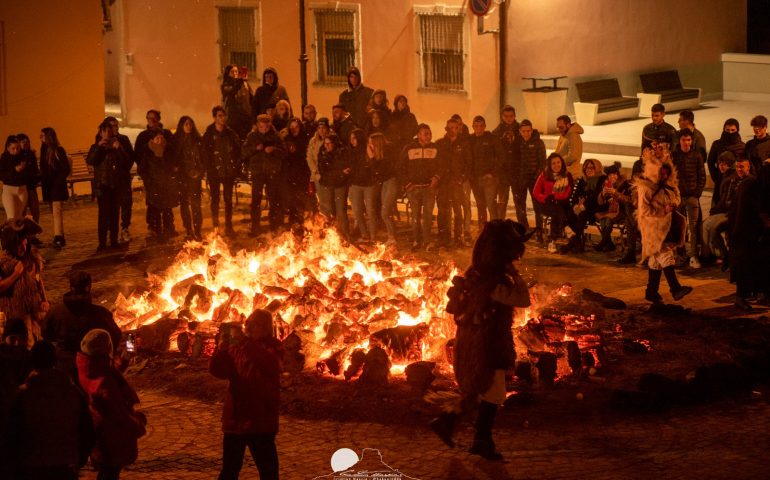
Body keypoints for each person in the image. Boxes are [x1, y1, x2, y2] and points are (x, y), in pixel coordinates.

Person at [431, 219, 531, 461]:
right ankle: (478, 437)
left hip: (473, 341)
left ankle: (452, 423)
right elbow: (523, 299)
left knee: (480, 390)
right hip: (487, 345)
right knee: (494, 392)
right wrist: (515, 275)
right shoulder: (493, 283)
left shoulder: (474, 273)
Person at [6, 340, 94, 480]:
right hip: (65, 465)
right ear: (55, 360)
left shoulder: (24, 395)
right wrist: (78, 458)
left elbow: (13, 433)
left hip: (32, 466)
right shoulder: (73, 393)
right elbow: (87, 431)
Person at [210, 310, 282, 480]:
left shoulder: (274, 346)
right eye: (248, 322)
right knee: (229, 470)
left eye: (254, 324)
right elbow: (218, 371)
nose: (249, 327)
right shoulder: (239, 346)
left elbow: (270, 365)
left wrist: (245, 344)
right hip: (236, 416)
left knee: (268, 472)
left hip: (260, 418)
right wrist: (220, 350)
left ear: (265, 327)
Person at [77, 329, 145, 480]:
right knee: (110, 473)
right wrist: (137, 424)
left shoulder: (87, 366)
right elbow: (119, 415)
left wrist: (125, 357)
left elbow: (110, 370)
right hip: (111, 437)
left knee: (106, 470)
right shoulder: (104, 383)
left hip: (97, 431)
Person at [636, 148, 693, 303]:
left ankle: (651, 291)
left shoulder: (669, 183)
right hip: (653, 227)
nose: (664, 176)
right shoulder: (646, 187)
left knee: (656, 260)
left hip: (667, 225)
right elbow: (645, 210)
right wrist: (663, 209)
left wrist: (673, 204)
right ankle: (675, 288)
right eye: (661, 173)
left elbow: (677, 196)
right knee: (665, 254)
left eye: (666, 173)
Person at [44, 270, 121, 378]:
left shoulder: (55, 313)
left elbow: (46, 335)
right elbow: (116, 335)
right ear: (88, 287)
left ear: (71, 288)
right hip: (92, 370)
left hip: (64, 369)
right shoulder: (101, 314)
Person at [0, 218, 48, 349]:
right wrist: (15, 274)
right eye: (20, 245)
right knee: (24, 345)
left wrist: (45, 300)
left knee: (37, 339)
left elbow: (39, 280)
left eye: (25, 244)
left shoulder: (31, 259)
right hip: (15, 313)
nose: (23, 247)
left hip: (34, 310)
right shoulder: (4, 264)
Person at [728, 160, 763, 311]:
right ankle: (742, 297)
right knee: (747, 264)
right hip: (746, 232)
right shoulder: (752, 185)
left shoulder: (748, 184)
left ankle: (750, 294)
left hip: (741, 230)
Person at [243, 114, 287, 235]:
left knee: (273, 199)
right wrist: (255, 149)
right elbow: (244, 153)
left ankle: (274, 226)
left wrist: (273, 150)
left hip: (272, 172)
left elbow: (284, 153)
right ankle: (255, 227)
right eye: (262, 127)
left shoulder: (276, 136)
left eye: (267, 127)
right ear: (258, 125)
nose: (264, 129)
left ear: (270, 125)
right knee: (256, 200)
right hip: (258, 172)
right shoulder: (252, 137)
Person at [398, 124, 439, 251]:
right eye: (425, 133)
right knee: (415, 216)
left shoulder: (435, 148)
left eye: (430, 133)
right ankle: (416, 241)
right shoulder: (409, 148)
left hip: (429, 188)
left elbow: (441, 165)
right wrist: (407, 184)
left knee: (427, 216)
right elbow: (399, 167)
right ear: (418, 135)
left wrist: (436, 177)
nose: (429, 136)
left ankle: (427, 242)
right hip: (414, 189)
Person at [202, 106, 242, 236]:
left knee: (228, 199)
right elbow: (205, 153)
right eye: (219, 116)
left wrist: (236, 167)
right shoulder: (209, 134)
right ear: (214, 117)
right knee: (215, 199)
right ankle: (216, 226)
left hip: (228, 172)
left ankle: (228, 226)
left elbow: (237, 151)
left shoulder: (230, 133)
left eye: (223, 115)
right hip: (215, 172)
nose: (222, 118)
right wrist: (208, 169)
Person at [701, 153, 747, 264]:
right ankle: (712, 255)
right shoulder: (725, 177)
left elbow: (727, 201)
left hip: (729, 214)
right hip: (725, 211)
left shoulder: (731, 179)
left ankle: (718, 256)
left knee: (709, 227)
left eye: (724, 164)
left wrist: (716, 210)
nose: (721, 166)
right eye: (720, 164)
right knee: (706, 226)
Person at [672, 129, 707, 268]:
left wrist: (697, 193)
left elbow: (702, 176)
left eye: (688, 140)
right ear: (679, 141)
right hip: (678, 198)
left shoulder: (697, 155)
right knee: (679, 227)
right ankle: (681, 254)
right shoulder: (674, 156)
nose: (686, 143)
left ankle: (693, 256)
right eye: (683, 140)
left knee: (693, 228)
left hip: (692, 197)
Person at [436, 118, 472, 249]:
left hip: (457, 182)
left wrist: (462, 178)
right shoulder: (440, 144)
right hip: (443, 183)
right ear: (446, 128)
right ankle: (443, 237)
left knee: (458, 211)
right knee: (443, 210)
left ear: (458, 128)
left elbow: (468, 163)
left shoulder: (463, 144)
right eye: (450, 127)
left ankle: (457, 237)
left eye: (455, 127)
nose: (452, 130)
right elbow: (436, 163)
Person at [141, 129, 180, 241]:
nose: (160, 140)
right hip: (154, 185)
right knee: (155, 209)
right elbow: (143, 169)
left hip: (167, 185)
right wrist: (148, 181)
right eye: (157, 138)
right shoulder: (148, 151)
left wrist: (174, 172)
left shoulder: (168, 150)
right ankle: (156, 230)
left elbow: (174, 164)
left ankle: (169, 229)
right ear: (152, 140)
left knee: (167, 208)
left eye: (161, 137)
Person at [562, 158, 606, 254]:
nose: (588, 170)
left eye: (591, 168)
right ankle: (577, 243)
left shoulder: (602, 179)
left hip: (595, 209)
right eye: (586, 168)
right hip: (580, 207)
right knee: (569, 214)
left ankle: (572, 243)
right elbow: (574, 195)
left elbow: (597, 198)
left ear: (597, 168)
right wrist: (574, 206)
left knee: (582, 215)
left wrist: (583, 206)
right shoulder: (582, 180)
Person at [533, 153, 573, 253]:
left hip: (561, 203)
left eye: (558, 162)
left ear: (562, 163)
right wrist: (547, 198)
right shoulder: (544, 175)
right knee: (556, 209)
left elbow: (568, 192)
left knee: (559, 210)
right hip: (546, 203)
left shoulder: (567, 175)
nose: (556, 165)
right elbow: (536, 192)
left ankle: (553, 240)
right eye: (553, 163)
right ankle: (566, 231)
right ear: (550, 165)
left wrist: (555, 197)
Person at [172, 116, 204, 241]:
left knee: (196, 204)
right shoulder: (176, 140)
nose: (188, 126)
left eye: (190, 124)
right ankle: (188, 229)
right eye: (186, 124)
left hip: (194, 176)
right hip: (182, 176)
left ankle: (197, 229)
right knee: (184, 204)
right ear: (181, 126)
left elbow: (202, 158)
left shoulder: (197, 140)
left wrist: (199, 172)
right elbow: (174, 157)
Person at [105, 116, 136, 243]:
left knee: (126, 203)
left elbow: (130, 158)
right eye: (112, 126)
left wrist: (120, 149)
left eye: (116, 125)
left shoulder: (123, 139)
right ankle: (112, 231)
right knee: (112, 206)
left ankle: (125, 228)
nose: (115, 128)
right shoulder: (104, 141)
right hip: (110, 180)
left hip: (123, 177)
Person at [468, 116, 504, 223]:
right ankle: (483, 229)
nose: (479, 128)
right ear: (473, 127)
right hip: (475, 179)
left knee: (491, 205)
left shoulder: (491, 139)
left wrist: (493, 173)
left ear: (485, 126)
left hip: (489, 179)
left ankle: (495, 230)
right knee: (480, 206)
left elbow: (501, 156)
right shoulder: (470, 140)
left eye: (481, 126)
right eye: (476, 126)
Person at [513, 120, 546, 236]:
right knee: (520, 206)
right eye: (523, 131)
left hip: (534, 180)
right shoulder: (516, 143)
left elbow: (542, 163)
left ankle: (539, 230)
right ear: (520, 131)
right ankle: (524, 229)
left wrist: (537, 176)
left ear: (531, 131)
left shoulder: (538, 143)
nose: (526, 133)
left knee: (537, 206)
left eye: (528, 131)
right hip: (520, 180)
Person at [39, 127, 71, 248]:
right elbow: (44, 169)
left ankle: (58, 237)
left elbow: (65, 168)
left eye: (42, 136)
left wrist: (58, 181)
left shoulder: (58, 150)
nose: (40, 138)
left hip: (56, 186)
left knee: (57, 211)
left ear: (49, 136)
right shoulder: (43, 150)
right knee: (53, 212)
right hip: (48, 186)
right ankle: (60, 235)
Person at [318, 133, 352, 242]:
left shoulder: (342, 152)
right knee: (329, 211)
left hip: (340, 185)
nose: (326, 146)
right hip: (327, 184)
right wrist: (339, 172)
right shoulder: (323, 154)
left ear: (335, 143)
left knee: (341, 211)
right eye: (325, 144)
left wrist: (338, 173)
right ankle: (333, 236)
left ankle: (346, 236)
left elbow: (345, 169)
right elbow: (324, 172)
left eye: (329, 144)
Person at [707, 118, 745, 209]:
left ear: (737, 130)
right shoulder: (717, 144)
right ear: (724, 129)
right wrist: (715, 176)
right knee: (717, 207)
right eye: (727, 130)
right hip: (720, 180)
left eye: (733, 130)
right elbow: (710, 161)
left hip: (736, 182)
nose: (730, 132)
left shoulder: (742, 146)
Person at [280, 118, 311, 225]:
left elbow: (302, 154)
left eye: (296, 127)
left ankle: (300, 222)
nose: (294, 130)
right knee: (290, 199)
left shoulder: (304, 139)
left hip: (301, 174)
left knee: (300, 199)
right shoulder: (286, 139)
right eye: (291, 127)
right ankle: (292, 221)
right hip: (289, 173)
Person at [348, 129, 377, 242]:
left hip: (368, 184)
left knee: (370, 210)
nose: (352, 141)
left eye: (354, 138)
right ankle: (364, 234)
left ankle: (373, 235)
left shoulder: (367, 149)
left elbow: (373, 164)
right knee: (357, 211)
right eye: (350, 139)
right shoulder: (352, 151)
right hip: (356, 184)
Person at [370, 133, 399, 245]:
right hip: (386, 182)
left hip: (391, 182)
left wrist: (372, 158)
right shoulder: (383, 153)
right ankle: (391, 237)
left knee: (385, 212)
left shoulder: (387, 152)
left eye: (372, 143)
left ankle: (392, 237)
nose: (371, 146)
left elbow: (380, 170)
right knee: (386, 212)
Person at [492, 105, 520, 219]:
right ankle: (500, 225)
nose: (509, 119)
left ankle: (522, 227)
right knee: (502, 201)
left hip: (516, 171)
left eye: (511, 116)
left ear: (515, 116)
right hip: (502, 172)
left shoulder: (520, 129)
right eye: (506, 116)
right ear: (502, 117)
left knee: (519, 202)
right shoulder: (497, 132)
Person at [594, 162, 629, 253]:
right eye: (609, 175)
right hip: (610, 211)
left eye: (613, 174)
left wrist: (615, 193)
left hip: (622, 212)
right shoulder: (607, 184)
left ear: (617, 174)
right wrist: (602, 194)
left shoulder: (625, 184)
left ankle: (603, 243)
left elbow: (627, 200)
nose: (611, 177)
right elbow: (600, 203)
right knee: (603, 219)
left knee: (608, 220)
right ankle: (609, 244)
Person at [221, 64, 253, 139]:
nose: (235, 73)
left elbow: (251, 96)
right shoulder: (226, 85)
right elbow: (232, 91)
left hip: (245, 115)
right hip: (232, 117)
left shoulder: (244, 83)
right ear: (228, 73)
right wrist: (241, 80)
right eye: (232, 71)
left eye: (236, 71)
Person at [0, 136, 29, 220]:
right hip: (9, 189)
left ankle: (20, 233)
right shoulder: (4, 159)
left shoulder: (24, 157)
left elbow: (29, 174)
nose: (16, 150)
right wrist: (15, 170)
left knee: (19, 216)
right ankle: (9, 232)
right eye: (13, 148)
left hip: (22, 189)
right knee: (11, 217)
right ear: (8, 148)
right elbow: (2, 175)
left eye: (17, 148)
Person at [307, 117, 330, 211]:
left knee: (328, 199)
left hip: (328, 174)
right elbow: (309, 157)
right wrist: (314, 170)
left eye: (323, 128)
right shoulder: (313, 141)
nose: (321, 130)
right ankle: (325, 219)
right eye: (319, 128)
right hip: (317, 174)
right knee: (321, 199)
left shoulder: (331, 139)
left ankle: (331, 219)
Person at [17, 133, 41, 224]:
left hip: (31, 187)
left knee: (35, 210)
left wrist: (38, 177)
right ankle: (23, 235)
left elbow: (35, 169)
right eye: (23, 142)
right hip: (22, 187)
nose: (26, 144)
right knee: (22, 211)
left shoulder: (31, 155)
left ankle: (33, 234)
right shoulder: (17, 156)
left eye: (27, 142)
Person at [554, 115, 584, 180]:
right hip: (562, 171)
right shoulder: (565, 135)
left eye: (561, 127)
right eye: (558, 128)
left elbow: (573, 156)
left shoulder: (573, 136)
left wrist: (557, 162)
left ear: (568, 125)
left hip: (570, 173)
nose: (559, 130)